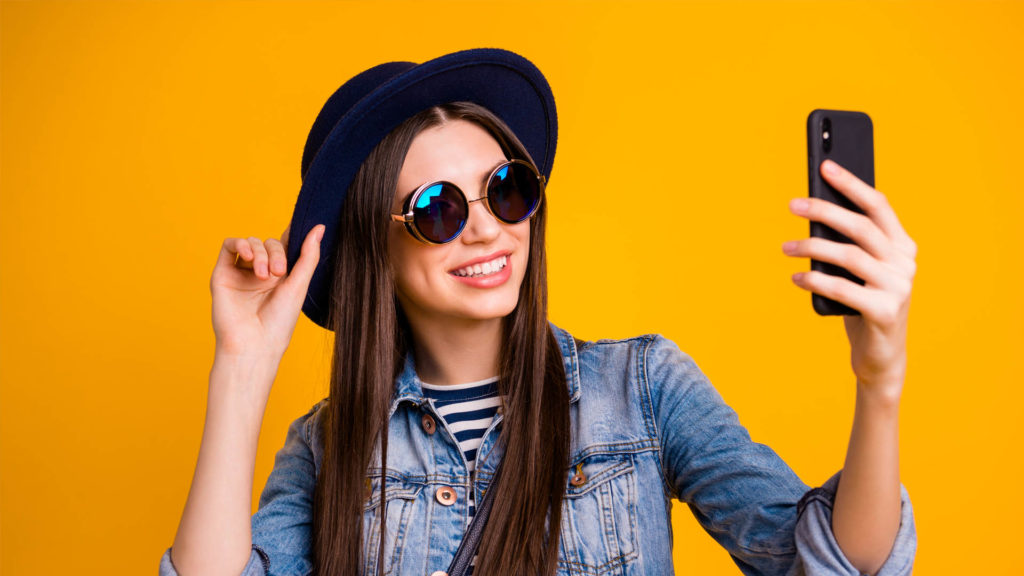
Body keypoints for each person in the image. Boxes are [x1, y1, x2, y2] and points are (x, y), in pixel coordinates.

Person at [159, 49, 917, 576]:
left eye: (507, 188)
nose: (488, 226)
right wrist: (243, 367)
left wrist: (879, 382)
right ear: (374, 250)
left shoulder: (644, 390)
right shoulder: (328, 447)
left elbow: (827, 563)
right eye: (438, 209)